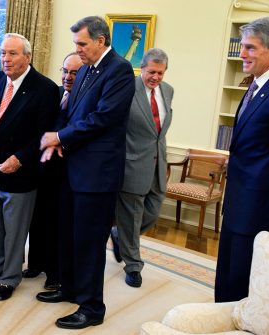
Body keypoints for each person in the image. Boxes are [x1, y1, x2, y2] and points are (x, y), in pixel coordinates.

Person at [37, 16, 135, 329]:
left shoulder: (119, 70)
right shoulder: (86, 69)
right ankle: (69, 288)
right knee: (68, 234)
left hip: (97, 175)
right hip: (73, 168)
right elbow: (69, 112)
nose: (77, 49)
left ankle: (92, 308)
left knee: (90, 243)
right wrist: (58, 138)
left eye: (82, 43)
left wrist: (61, 137)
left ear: (101, 41)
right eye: (76, 44)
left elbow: (104, 117)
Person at [0, 33, 59, 301]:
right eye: (2, 53)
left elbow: (45, 133)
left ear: (27, 57)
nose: (5, 59)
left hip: (22, 170)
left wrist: (20, 158)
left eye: (12, 54)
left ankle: (9, 278)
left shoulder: (45, 88)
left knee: (15, 229)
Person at [215, 16, 269, 303]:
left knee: (242, 278)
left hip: (259, 204)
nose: (243, 54)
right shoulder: (257, 85)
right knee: (226, 270)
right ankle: (220, 318)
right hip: (238, 198)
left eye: (250, 48)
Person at [111, 48, 174, 288]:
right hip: (131, 163)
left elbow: (159, 132)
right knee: (131, 215)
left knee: (152, 213)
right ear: (142, 68)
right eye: (151, 72)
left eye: (160, 73)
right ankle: (133, 266)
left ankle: (119, 235)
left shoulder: (168, 91)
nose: (155, 77)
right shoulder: (128, 90)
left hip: (158, 164)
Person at [23, 52, 82, 290]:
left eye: (74, 73)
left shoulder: (83, 99)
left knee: (59, 223)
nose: (68, 77)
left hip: (67, 169)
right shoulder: (53, 93)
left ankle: (54, 273)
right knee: (38, 218)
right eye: (65, 71)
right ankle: (36, 263)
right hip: (43, 167)